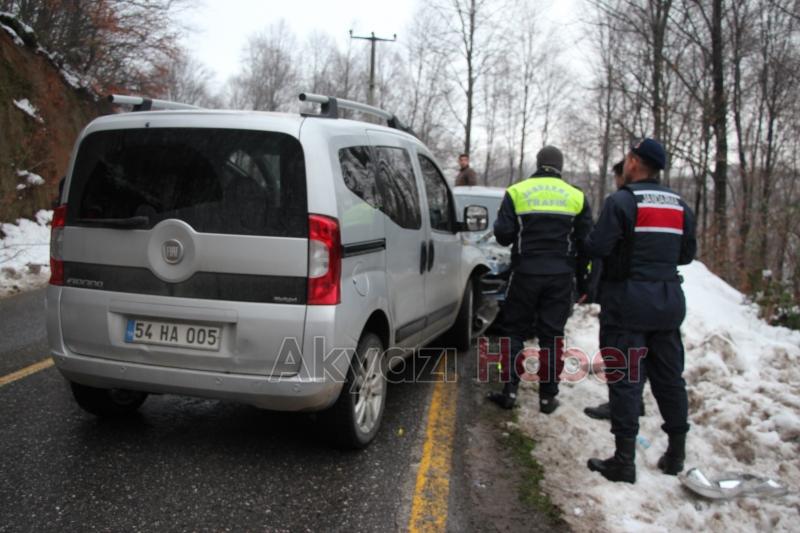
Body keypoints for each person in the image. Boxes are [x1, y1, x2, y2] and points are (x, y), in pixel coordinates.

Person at [584, 138, 696, 483]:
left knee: (625, 378)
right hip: (668, 301)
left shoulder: (621, 202)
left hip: (628, 302)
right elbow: (686, 255)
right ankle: (676, 454)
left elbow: (597, 246)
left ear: (633, 162)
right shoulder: (681, 206)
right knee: (669, 378)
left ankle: (623, 460)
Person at [487, 146, 593, 414]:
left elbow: (502, 235)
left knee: (513, 332)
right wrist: (584, 282)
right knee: (552, 336)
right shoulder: (577, 197)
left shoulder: (516, 192)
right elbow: (586, 244)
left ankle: (509, 391)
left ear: (538, 163)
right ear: (561, 166)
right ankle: (547, 398)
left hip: (525, 274)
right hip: (560, 277)